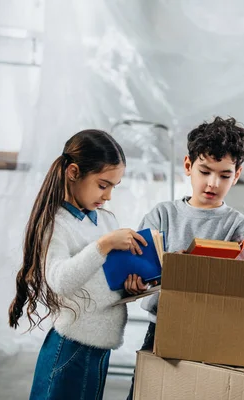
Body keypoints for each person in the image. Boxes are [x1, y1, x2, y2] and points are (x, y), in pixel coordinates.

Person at [8, 130, 148, 400]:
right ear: (74, 172)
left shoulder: (106, 220)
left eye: (113, 187)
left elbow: (102, 284)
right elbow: (59, 280)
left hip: (100, 346)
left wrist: (131, 288)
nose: (107, 196)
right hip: (71, 347)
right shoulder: (56, 225)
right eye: (102, 184)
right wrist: (103, 245)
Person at [126, 116, 244, 399]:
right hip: (161, 329)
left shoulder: (240, 228)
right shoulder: (161, 215)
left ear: (237, 175)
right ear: (188, 166)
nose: (212, 183)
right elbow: (140, 282)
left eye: (224, 175)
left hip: (211, 333)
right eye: (205, 171)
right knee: (144, 393)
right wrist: (139, 283)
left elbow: (241, 292)